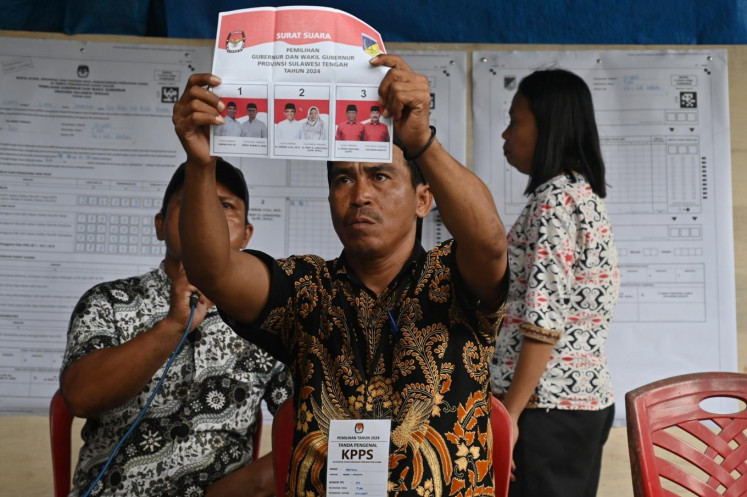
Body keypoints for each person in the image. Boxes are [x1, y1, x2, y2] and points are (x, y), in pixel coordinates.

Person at [172, 54, 509, 496]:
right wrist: (200, 163)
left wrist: (422, 142)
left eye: (381, 176)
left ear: (423, 199)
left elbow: (489, 242)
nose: (361, 195)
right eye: (343, 180)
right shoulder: (306, 288)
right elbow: (212, 271)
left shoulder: (452, 277)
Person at [59, 159, 293, 497]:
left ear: (246, 233)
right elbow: (81, 397)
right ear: (160, 224)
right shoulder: (107, 301)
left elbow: (310, 422)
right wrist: (172, 326)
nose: (206, 215)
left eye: (224, 206)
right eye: (190, 202)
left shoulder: (265, 317)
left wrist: (249, 485)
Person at [489, 69, 620, 497]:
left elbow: (544, 322)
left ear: (548, 125)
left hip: (545, 408)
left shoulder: (554, 200)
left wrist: (507, 417)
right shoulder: (583, 195)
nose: (505, 134)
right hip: (579, 403)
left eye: (515, 120)